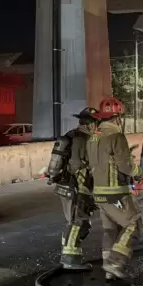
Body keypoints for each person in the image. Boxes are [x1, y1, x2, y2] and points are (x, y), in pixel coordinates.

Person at [87, 97, 143, 280]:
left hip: (99, 193)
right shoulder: (117, 137)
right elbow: (125, 166)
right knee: (134, 222)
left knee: (110, 230)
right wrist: (139, 172)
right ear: (117, 117)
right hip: (116, 193)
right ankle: (115, 262)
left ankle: (108, 269)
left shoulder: (93, 138)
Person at [51, 107, 97, 270]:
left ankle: (67, 254)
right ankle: (70, 260)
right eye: (96, 123)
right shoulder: (82, 139)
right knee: (79, 221)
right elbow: (77, 164)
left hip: (66, 184)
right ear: (91, 124)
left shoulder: (71, 134)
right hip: (76, 186)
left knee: (74, 221)